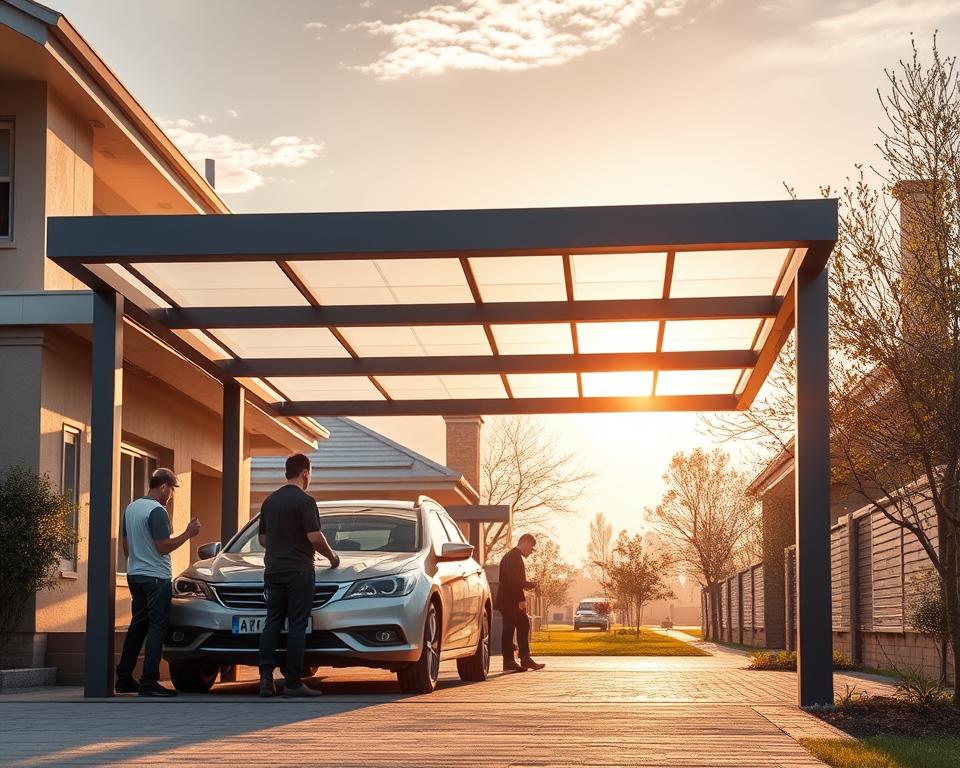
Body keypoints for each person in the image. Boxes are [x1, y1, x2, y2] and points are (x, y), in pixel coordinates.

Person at [257, 453, 340, 698]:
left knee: (272, 621)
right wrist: (332, 557)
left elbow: (262, 539)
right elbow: (314, 537)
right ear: (305, 474)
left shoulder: (269, 502)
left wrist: (280, 545)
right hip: (299, 571)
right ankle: (293, 683)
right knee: (297, 624)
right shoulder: (305, 501)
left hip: (273, 571)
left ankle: (265, 679)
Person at [115, 468, 200, 697]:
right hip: (156, 577)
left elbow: (126, 548)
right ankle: (149, 682)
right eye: (171, 490)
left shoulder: (131, 509)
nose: (171, 495)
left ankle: (123, 678)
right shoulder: (157, 511)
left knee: (138, 626)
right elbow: (163, 547)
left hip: (135, 575)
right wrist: (188, 533)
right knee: (157, 627)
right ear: (163, 487)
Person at [495, 533, 546, 672]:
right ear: (525, 542)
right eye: (531, 547)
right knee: (509, 629)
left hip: (510, 599)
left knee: (523, 624)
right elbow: (514, 582)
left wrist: (529, 585)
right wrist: (522, 599)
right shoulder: (513, 557)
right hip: (509, 601)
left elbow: (516, 581)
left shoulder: (514, 557)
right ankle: (509, 661)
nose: (531, 551)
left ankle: (524, 658)